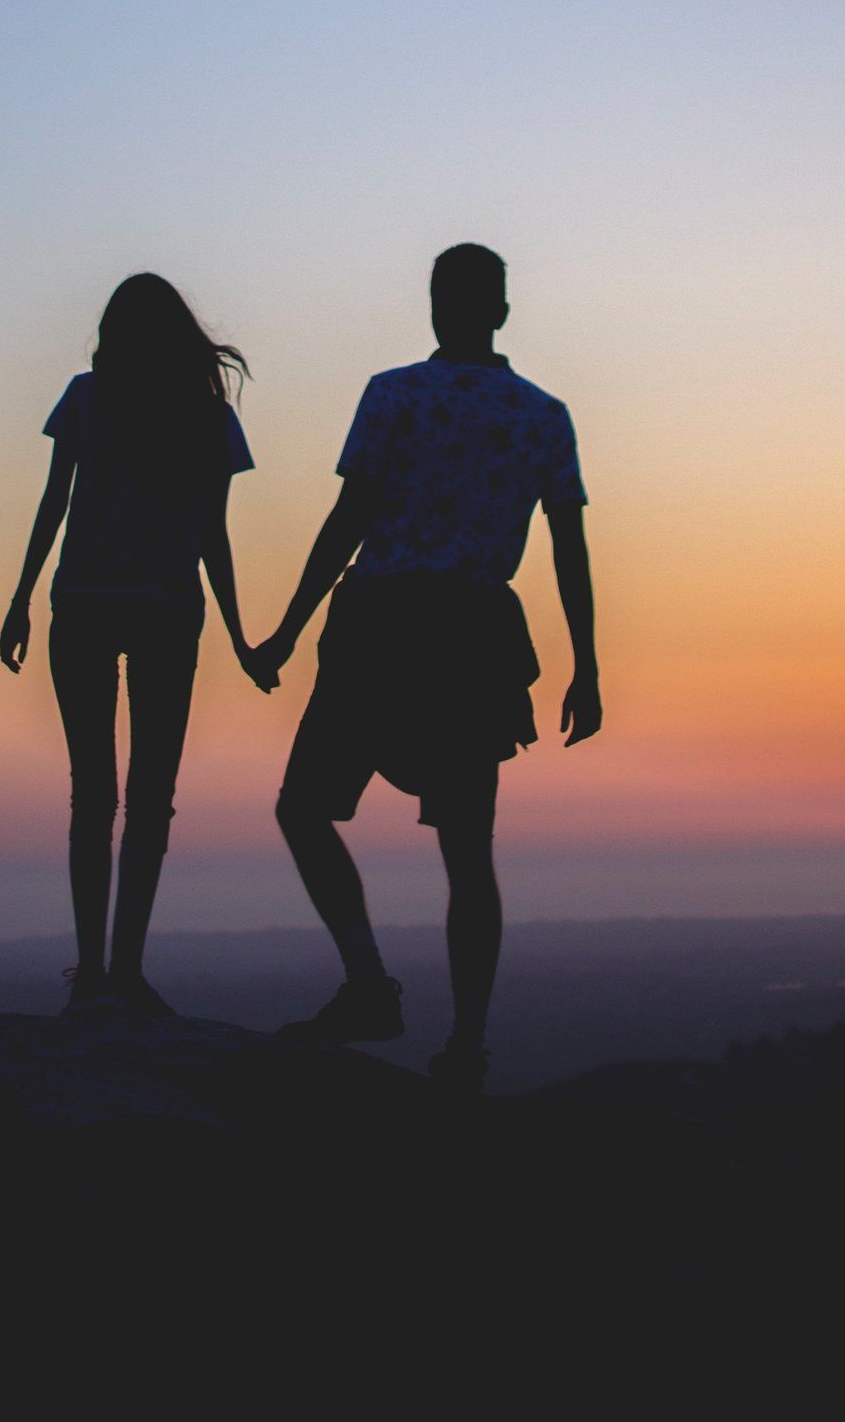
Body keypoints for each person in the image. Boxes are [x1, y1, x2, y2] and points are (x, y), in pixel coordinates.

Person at [254, 244, 600, 1092]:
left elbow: (350, 520)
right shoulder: (541, 414)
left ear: (438, 308)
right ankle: (468, 1046)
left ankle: (369, 984)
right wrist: (587, 667)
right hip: (472, 636)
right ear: (503, 312)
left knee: (304, 808)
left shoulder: (394, 394)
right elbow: (569, 550)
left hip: (379, 623)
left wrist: (289, 630)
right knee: (467, 850)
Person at [0, 274, 273, 1016]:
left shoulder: (88, 397)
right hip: (166, 612)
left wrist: (22, 598)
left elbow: (54, 503)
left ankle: (94, 971)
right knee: (150, 800)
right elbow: (213, 537)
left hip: (83, 605)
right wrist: (243, 639)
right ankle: (122, 970)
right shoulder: (207, 418)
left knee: (94, 795)